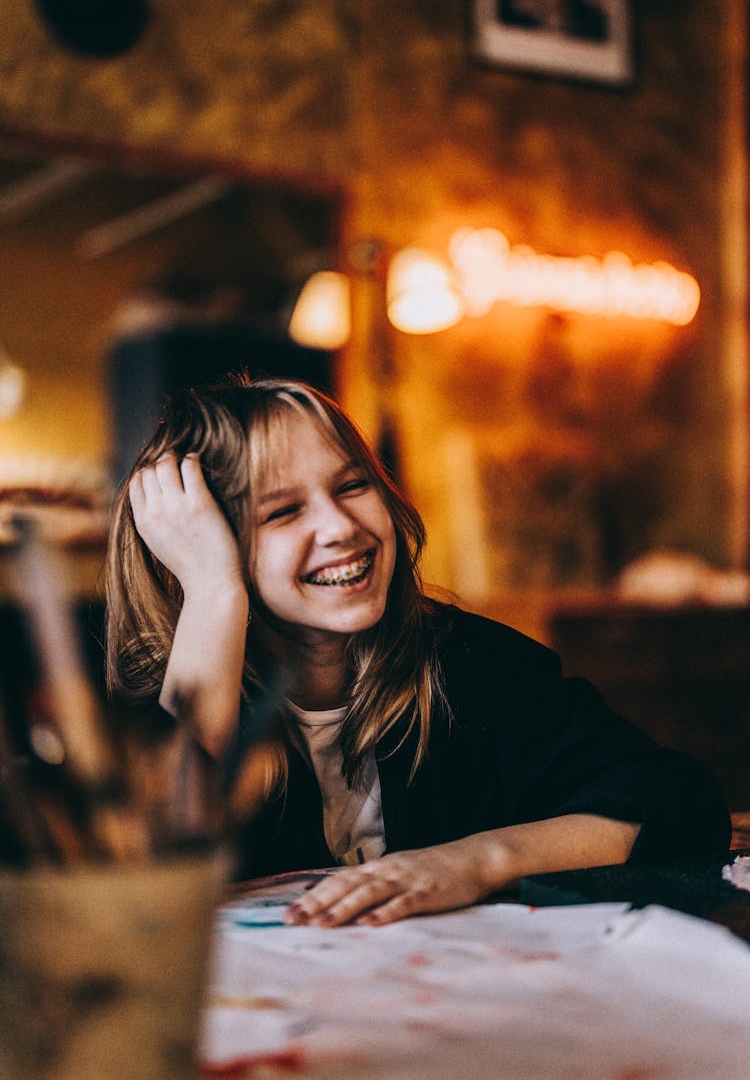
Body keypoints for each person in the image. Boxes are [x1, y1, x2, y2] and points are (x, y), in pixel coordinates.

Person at [105, 374, 731, 927]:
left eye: (352, 486)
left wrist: (473, 861)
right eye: (284, 511)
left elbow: (680, 803)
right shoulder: (124, 706)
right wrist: (214, 590)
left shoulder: (471, 664)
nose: (341, 527)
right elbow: (142, 871)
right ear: (194, 545)